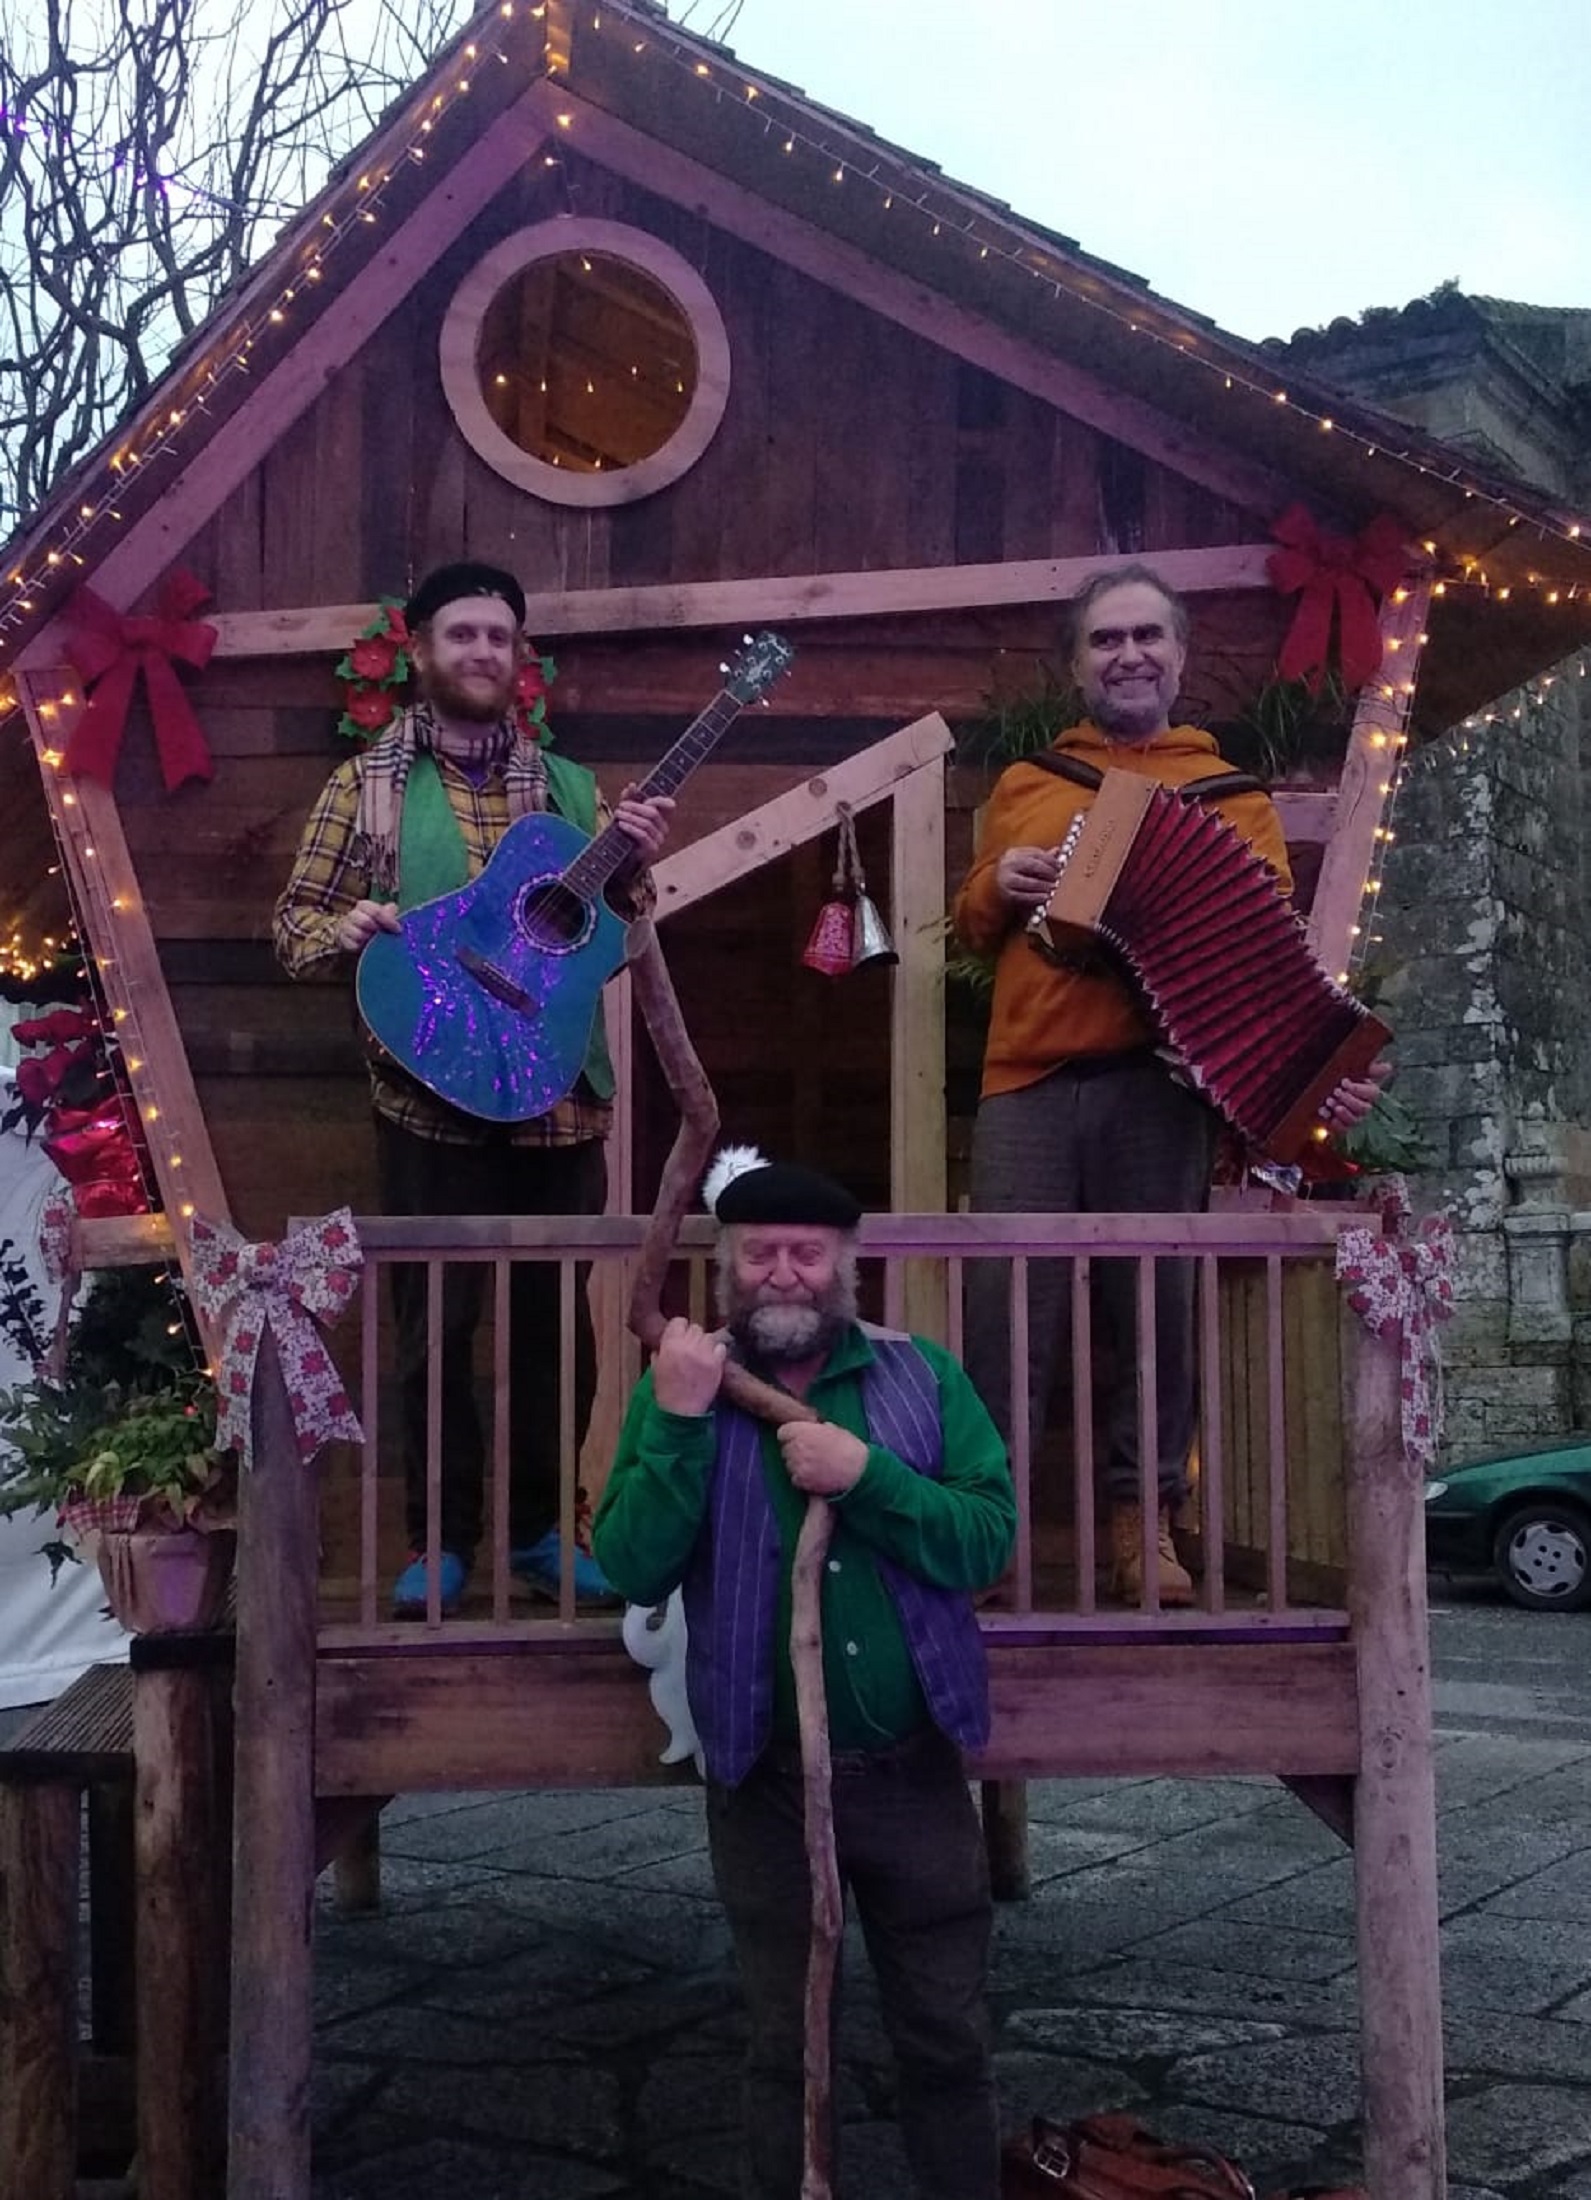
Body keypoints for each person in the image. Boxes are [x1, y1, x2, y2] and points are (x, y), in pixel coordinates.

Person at [952, 562, 1381, 1606]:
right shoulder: (1028, 785)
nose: (1128, 654)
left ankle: (1142, 1522)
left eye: (1147, 635)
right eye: (1105, 639)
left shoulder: (1233, 799)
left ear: (1179, 658)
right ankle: (987, 1524)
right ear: (1076, 666)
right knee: (1006, 1311)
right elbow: (967, 927)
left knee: (1155, 1311)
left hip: (1159, 1089)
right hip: (1027, 1081)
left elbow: (1265, 956)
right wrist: (995, 883)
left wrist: (1316, 1074)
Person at [592, 1151, 1015, 2200]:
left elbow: (986, 1540)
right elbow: (630, 1564)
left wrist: (867, 1477)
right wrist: (678, 1422)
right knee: (783, 2051)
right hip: (765, 1782)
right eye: (759, 1253)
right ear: (727, 1266)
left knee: (948, 2038)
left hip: (914, 1774)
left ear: (846, 1265)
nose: (783, 1273)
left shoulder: (923, 1376)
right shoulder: (680, 1385)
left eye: (806, 1253)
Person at [273, 560, 674, 1616]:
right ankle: (442, 1539)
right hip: (427, 1093)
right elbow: (293, 928)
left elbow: (613, 933)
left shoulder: (574, 791)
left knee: (555, 1330)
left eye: (499, 637)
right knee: (434, 1329)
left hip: (556, 1096)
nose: (483, 652)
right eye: (462, 635)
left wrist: (636, 865)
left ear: (519, 658)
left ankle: (544, 1533)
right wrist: (345, 927)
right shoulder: (361, 787)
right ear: (419, 651)